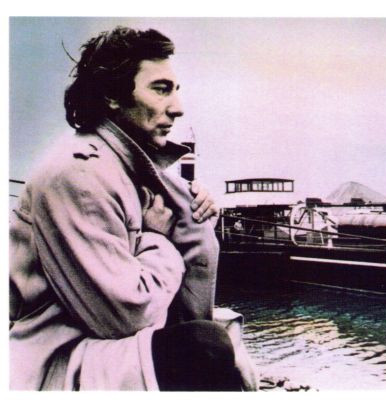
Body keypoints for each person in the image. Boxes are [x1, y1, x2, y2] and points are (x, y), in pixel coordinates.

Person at [9, 26, 257, 391]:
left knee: (219, 342)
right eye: (161, 89)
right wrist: (160, 239)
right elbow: (126, 316)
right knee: (205, 348)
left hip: (100, 347)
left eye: (175, 89)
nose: (178, 107)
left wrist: (194, 215)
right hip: (59, 361)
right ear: (112, 95)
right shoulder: (79, 174)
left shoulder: (125, 168)